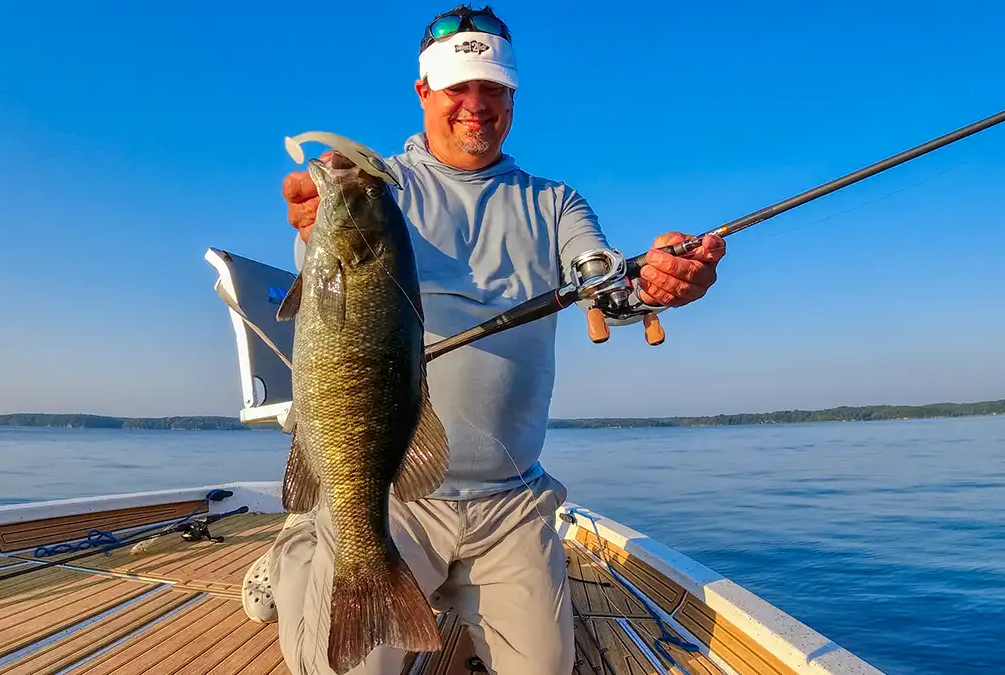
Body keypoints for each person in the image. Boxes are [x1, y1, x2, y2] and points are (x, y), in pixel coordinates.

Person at [241, 5, 725, 674]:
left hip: (513, 499)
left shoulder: (555, 202)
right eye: (457, 88)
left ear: (512, 96)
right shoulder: (385, 186)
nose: (475, 106)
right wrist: (312, 215)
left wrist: (653, 282)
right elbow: (325, 269)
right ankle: (302, 542)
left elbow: (605, 283)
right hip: (388, 491)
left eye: (492, 88)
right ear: (423, 93)